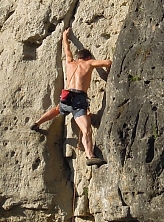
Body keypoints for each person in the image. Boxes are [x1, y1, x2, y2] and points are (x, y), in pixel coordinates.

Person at [30, 26, 111, 165]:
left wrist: (65, 37)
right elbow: (108, 62)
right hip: (79, 100)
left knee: (57, 109)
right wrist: (106, 74)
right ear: (88, 57)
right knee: (86, 130)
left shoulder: (70, 63)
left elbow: (66, 49)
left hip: (66, 96)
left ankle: (37, 123)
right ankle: (90, 155)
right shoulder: (89, 63)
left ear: (78, 57)